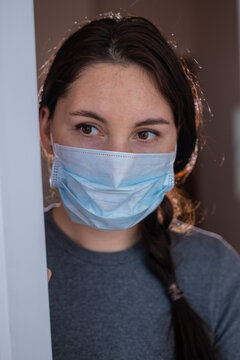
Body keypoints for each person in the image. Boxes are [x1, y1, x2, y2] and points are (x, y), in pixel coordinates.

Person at [39, 14, 240, 360]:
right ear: (46, 130)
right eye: (88, 128)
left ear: (177, 142)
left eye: (145, 134)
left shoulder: (217, 271)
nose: (117, 166)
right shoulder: (8, 263)